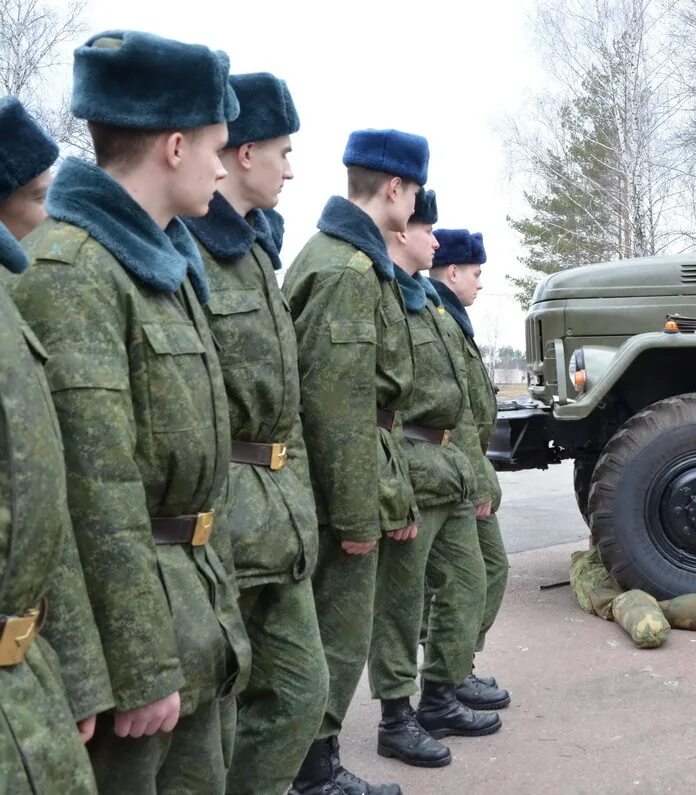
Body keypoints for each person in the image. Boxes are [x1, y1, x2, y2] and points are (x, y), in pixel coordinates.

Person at [13, 31, 251, 793]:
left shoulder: (160, 261)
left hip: (189, 605)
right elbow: (92, 488)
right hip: (138, 646)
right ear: (175, 146)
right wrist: (139, 664)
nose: (224, 164)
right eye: (216, 146)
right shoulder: (76, 271)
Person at [181, 72, 328, 795]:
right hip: (228, 527)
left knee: (302, 691)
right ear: (242, 154)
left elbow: (288, 405)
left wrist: (299, 498)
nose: (291, 167)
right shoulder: (188, 253)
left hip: (280, 520)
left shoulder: (257, 254)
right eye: (282, 149)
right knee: (223, 714)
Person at [282, 128, 428, 795]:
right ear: (395, 188)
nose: (417, 201)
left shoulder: (349, 258)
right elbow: (337, 404)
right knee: (337, 635)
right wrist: (355, 515)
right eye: (416, 189)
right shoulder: (346, 268)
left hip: (359, 461)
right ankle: (316, 775)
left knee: (336, 635)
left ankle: (321, 761)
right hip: (343, 474)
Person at [0, 94, 113, 795]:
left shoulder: (10, 301)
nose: (48, 215)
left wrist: (75, 674)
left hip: (27, 673)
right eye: (37, 196)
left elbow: (45, 499)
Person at [369, 191, 497, 770]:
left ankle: (442, 694)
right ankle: (396, 717)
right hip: (409, 471)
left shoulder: (429, 305)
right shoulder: (383, 295)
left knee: (468, 582)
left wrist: (474, 473)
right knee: (400, 604)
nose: (436, 240)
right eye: (427, 228)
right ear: (402, 234)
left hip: (446, 468)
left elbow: (459, 403)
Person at [426, 227, 510, 709]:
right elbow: (452, 412)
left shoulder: (455, 319)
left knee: (483, 572)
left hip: (465, 465)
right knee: (470, 575)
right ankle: (447, 676)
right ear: (452, 271)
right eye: (476, 273)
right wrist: (477, 478)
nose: (480, 283)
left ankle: (457, 668)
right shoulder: (440, 317)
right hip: (456, 468)